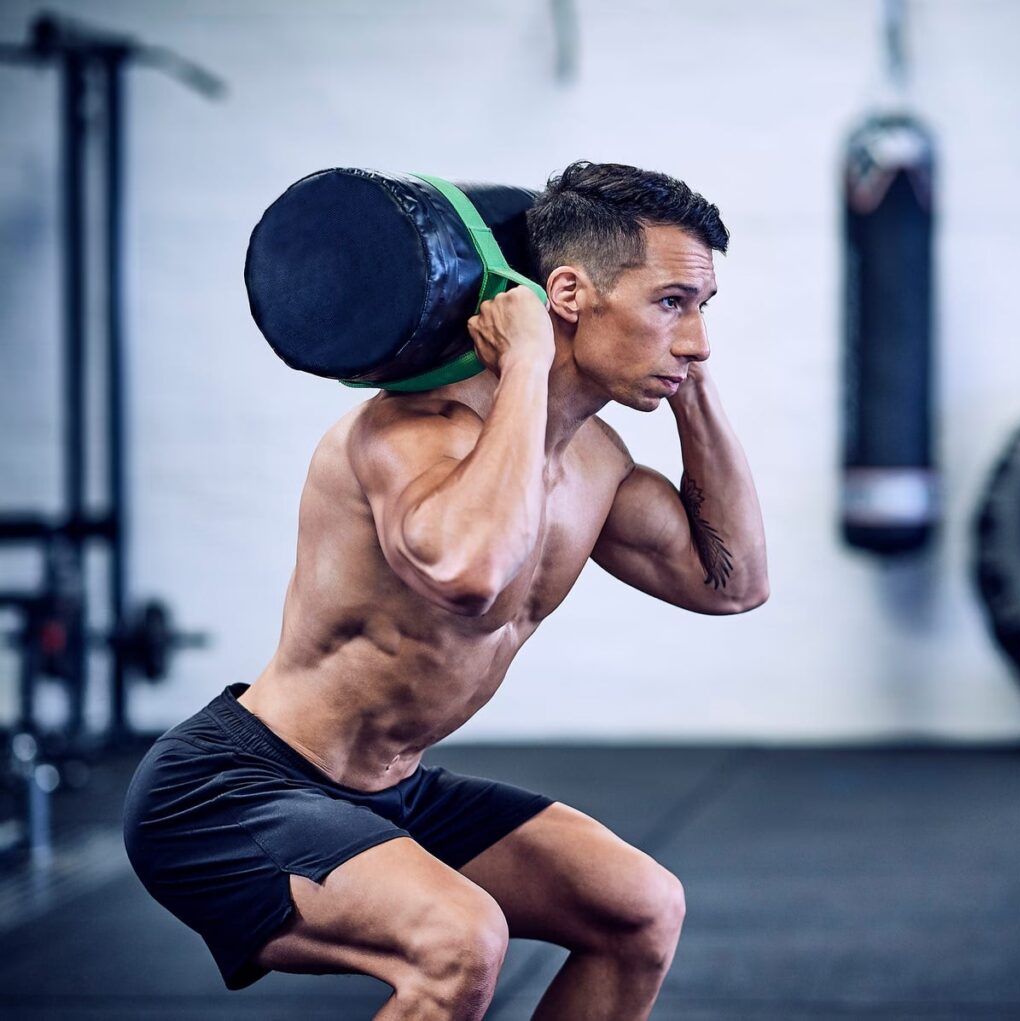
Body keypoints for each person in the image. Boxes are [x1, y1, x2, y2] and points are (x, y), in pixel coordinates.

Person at [124, 160, 769, 1019]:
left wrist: (691, 385)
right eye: (671, 304)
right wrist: (529, 362)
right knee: (458, 941)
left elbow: (734, 584)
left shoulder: (599, 465)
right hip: (233, 790)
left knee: (640, 908)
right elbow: (471, 573)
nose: (696, 339)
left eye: (703, 307)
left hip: (391, 789)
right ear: (567, 295)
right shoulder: (409, 433)